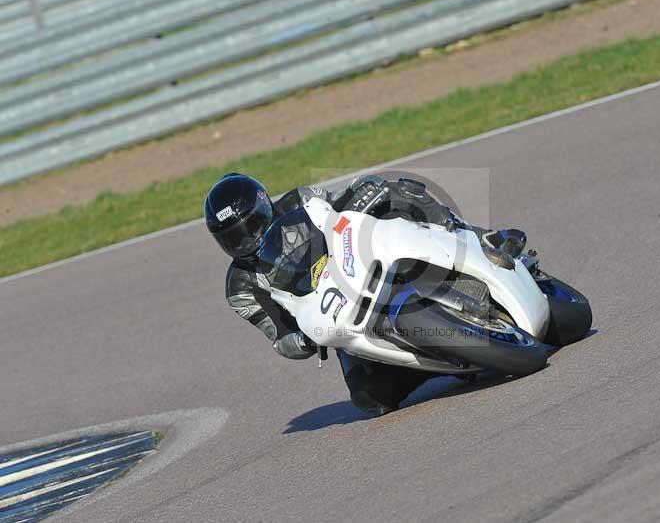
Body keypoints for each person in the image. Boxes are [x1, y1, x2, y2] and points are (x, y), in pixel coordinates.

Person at [204, 172, 526, 416]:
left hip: (365, 262)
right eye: (235, 238)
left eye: (252, 226)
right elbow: (278, 336)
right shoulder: (241, 286)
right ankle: (443, 360)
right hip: (338, 316)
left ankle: (479, 237)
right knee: (371, 400)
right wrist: (302, 340)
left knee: (392, 191)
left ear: (264, 206)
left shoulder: (300, 200)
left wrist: (364, 192)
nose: (248, 239)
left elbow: (339, 204)